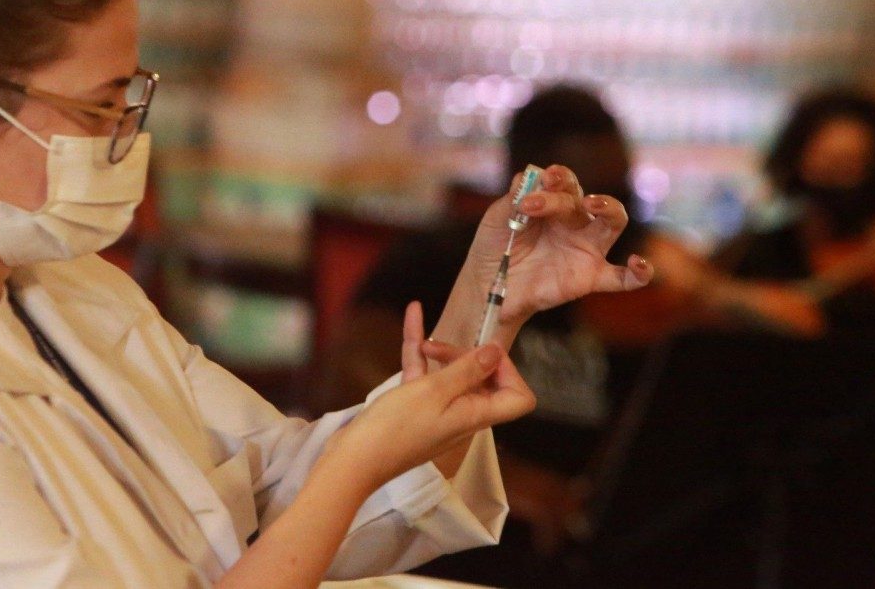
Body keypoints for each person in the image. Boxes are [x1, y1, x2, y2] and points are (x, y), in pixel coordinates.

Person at [0, 0, 655, 588]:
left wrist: (489, 301)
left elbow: (273, 494)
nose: (122, 138)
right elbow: (326, 494)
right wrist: (357, 462)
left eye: (130, 100)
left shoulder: (70, 290)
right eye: (98, 107)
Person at [317, 85, 817, 588]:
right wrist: (504, 476)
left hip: (626, 533)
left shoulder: (650, 265)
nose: (595, 213)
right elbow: (354, 371)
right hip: (478, 524)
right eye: (585, 191)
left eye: (618, 189)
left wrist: (710, 290)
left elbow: (798, 330)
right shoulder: (443, 254)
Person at [589, 84, 875, 588]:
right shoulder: (763, 251)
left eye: (854, 167)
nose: (837, 182)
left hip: (859, 493)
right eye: (825, 164)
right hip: (744, 492)